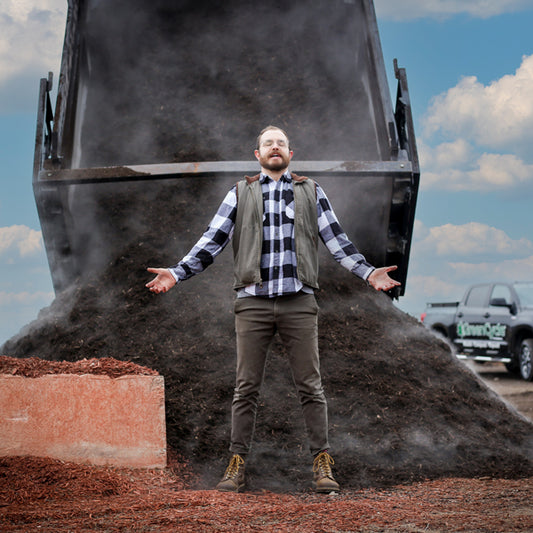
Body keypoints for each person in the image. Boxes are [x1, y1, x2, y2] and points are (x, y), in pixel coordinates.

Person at [146, 126, 400, 493]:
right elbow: (212, 240)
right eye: (268, 143)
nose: (275, 147)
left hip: (299, 301)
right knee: (245, 388)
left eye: (281, 142)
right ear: (257, 154)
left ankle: (322, 464)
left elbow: (336, 241)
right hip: (253, 303)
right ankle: (236, 464)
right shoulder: (240, 192)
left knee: (311, 387)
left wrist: (368, 271)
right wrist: (177, 272)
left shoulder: (311, 191)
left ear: (290, 154)